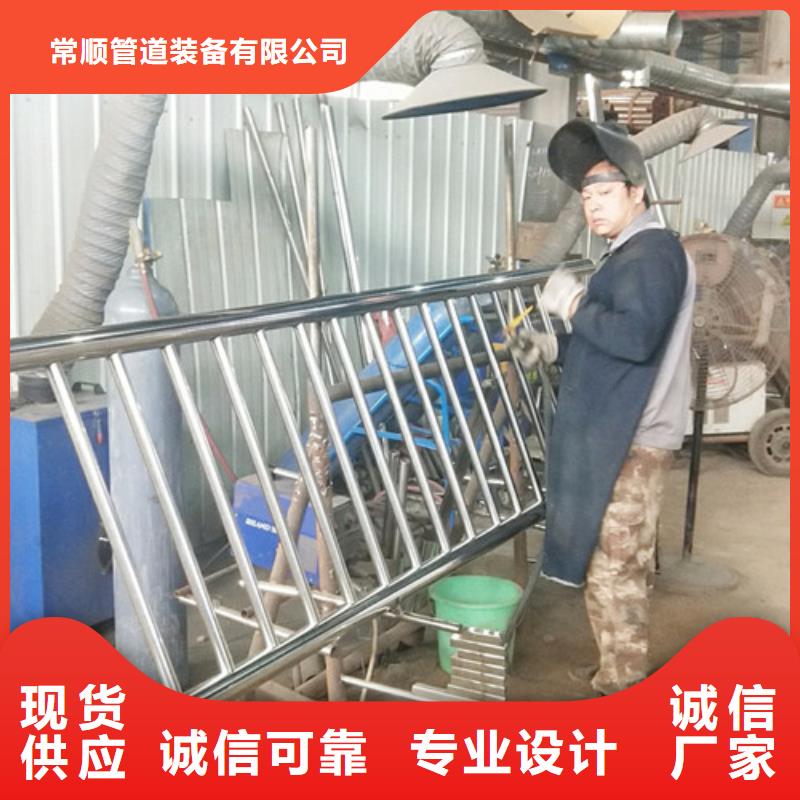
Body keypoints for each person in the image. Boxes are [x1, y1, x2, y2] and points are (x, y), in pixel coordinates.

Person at [510, 118, 696, 695]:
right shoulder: (626, 255)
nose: (592, 205)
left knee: (618, 564)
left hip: (635, 435)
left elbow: (635, 338)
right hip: (620, 430)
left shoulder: (654, 253)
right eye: (586, 196)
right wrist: (555, 346)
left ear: (636, 192)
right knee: (611, 561)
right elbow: (608, 338)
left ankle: (624, 684)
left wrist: (572, 304)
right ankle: (614, 669)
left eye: (605, 192)